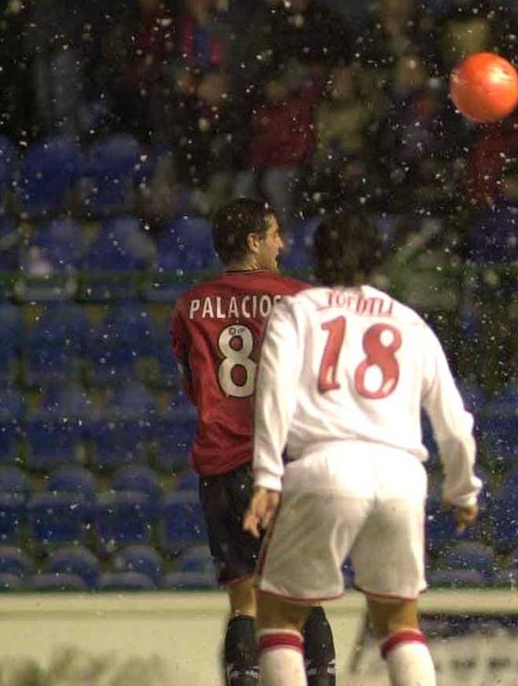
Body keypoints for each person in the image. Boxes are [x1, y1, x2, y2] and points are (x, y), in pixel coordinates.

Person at [242, 215, 481, 686]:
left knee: (279, 617)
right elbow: (454, 420)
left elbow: (273, 391)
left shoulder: (298, 310)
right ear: (377, 260)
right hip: (401, 475)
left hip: (326, 464)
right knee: (399, 620)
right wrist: (463, 487)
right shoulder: (409, 321)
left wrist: (267, 475)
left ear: (316, 256)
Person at [170, 198, 337, 686]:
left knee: (244, 600)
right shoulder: (301, 299)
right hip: (285, 463)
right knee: (303, 596)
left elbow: (193, 383)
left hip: (222, 464)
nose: (281, 243)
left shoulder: (190, 305)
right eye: (274, 234)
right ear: (253, 241)